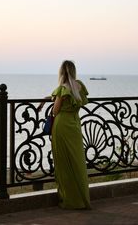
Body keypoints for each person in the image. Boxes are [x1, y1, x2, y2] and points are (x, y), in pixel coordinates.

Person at [40, 60, 91, 209]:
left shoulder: (62, 88)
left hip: (61, 126)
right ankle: (82, 198)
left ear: (61, 72)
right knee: (77, 162)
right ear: (73, 71)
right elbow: (67, 96)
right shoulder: (79, 86)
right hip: (75, 126)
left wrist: (50, 100)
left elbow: (55, 111)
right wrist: (48, 97)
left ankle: (69, 200)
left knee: (63, 164)